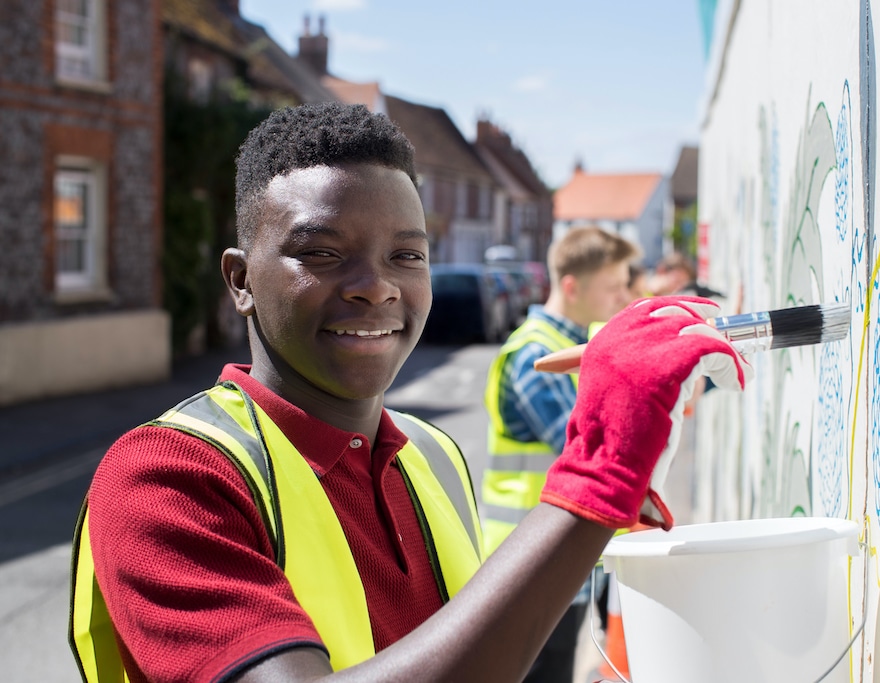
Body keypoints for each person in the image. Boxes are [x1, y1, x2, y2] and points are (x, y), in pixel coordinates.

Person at [69, 102, 751, 683]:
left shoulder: (431, 454)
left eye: (407, 254)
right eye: (323, 252)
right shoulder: (166, 478)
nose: (377, 284)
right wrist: (598, 474)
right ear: (241, 281)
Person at [480, 226, 638, 682]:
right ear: (571, 286)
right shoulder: (537, 355)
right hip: (531, 565)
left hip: (556, 561)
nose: (623, 296)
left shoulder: (577, 347)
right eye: (614, 286)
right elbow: (595, 453)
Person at [648, 251, 725, 299]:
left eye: (682, 285)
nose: (678, 288)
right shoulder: (641, 294)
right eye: (677, 281)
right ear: (662, 270)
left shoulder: (659, 303)